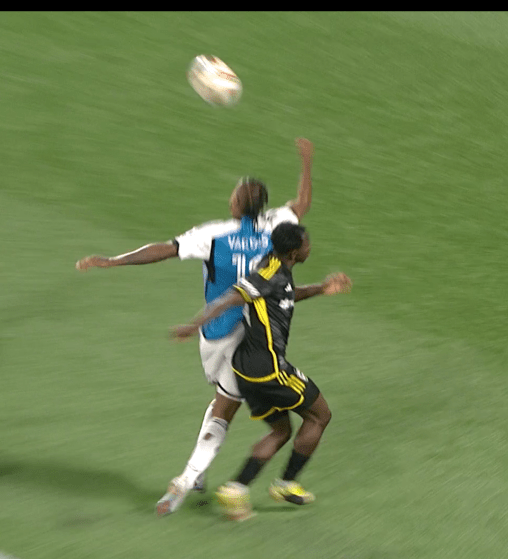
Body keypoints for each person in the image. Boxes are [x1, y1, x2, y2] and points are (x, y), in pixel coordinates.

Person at [75, 138, 314, 515]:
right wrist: (306, 161)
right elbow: (301, 204)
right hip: (250, 339)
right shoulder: (278, 225)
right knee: (226, 408)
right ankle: (188, 479)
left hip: (216, 333)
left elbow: (162, 250)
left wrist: (113, 261)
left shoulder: (213, 234)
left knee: (224, 401)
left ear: (236, 205)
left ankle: (194, 474)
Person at [171, 223, 351, 521]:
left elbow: (285, 294)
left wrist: (320, 288)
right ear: (294, 252)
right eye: (306, 244)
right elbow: (231, 297)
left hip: (245, 370)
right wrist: (193, 326)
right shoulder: (268, 273)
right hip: (270, 371)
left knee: (281, 431)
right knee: (320, 415)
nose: (310, 247)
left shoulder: (276, 267)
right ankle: (284, 483)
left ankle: (237, 489)